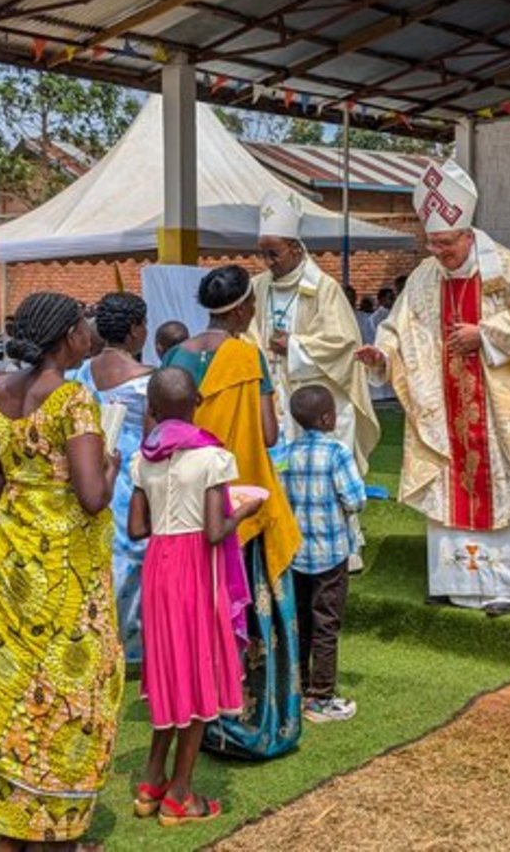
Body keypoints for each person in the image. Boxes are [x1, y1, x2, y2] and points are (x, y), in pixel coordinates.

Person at [357, 160, 510, 613]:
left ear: (467, 234)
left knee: (508, 487)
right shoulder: (425, 276)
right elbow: (399, 328)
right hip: (447, 410)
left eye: (446, 244)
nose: (438, 252)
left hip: (502, 414)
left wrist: (486, 335)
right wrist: (382, 356)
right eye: (433, 243)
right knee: (452, 483)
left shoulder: (509, 270)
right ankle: (458, 581)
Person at [0, 291, 123, 849]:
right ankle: (54, 833)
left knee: (15, 686)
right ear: (67, 337)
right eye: (83, 325)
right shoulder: (72, 399)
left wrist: (29, 478)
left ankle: (12, 829)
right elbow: (91, 497)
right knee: (73, 691)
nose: (89, 333)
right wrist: (109, 467)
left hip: (15, 561)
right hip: (67, 570)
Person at [163, 265, 303, 759]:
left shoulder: (176, 355)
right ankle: (253, 723)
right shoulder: (246, 355)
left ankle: (199, 718)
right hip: (240, 503)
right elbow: (268, 434)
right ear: (242, 308)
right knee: (251, 613)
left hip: (187, 506)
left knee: (202, 613)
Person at [128, 367, 258, 826]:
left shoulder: (142, 459)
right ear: (197, 402)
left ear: (152, 409)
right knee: (199, 667)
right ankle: (180, 794)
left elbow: (137, 528)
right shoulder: (213, 458)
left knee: (169, 667)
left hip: (158, 566)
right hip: (195, 569)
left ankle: (151, 780)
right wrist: (246, 510)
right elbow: (215, 531)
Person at [252, 192, 379, 570]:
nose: (267, 262)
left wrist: (294, 346)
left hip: (319, 398)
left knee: (324, 473)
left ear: (294, 248)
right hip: (275, 390)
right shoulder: (259, 286)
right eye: (263, 253)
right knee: (281, 470)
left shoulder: (323, 288)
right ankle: (286, 543)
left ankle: (343, 546)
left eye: (274, 253)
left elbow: (344, 341)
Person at [72, 292, 153, 663]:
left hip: (89, 464)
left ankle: (95, 633)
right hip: (130, 472)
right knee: (134, 552)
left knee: (97, 551)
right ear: (135, 330)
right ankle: (131, 645)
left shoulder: (80, 373)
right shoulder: (148, 380)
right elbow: (154, 438)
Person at [284, 385, 366, 723]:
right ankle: (321, 697)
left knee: (301, 621)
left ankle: (299, 687)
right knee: (326, 624)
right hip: (331, 553)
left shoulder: (286, 453)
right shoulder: (337, 452)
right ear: (326, 418)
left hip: (296, 553)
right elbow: (355, 500)